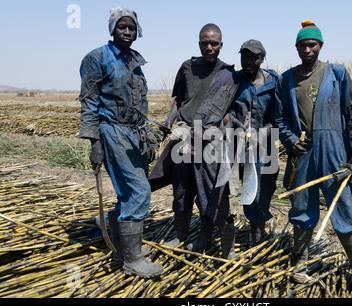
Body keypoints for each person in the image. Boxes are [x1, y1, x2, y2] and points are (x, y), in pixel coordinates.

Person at [273, 21, 352, 288]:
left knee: (344, 205)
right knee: (302, 207)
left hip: (335, 151)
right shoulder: (286, 79)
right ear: (296, 48)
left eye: (312, 45)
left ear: (320, 46)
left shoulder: (336, 73)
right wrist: (291, 140)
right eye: (303, 45)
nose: (307, 49)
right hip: (303, 153)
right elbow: (280, 119)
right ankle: (300, 264)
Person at [78, 7, 164, 278]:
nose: (127, 32)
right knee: (139, 192)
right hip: (112, 132)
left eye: (131, 28)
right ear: (112, 29)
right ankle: (132, 260)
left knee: (127, 193)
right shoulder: (97, 58)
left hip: (134, 135)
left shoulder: (134, 60)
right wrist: (95, 143)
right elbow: (89, 102)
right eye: (121, 27)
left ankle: (123, 249)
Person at [148, 23, 240, 259]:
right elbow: (178, 100)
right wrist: (168, 121)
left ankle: (207, 236)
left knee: (212, 191)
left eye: (214, 43)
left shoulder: (229, 75)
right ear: (198, 43)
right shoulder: (187, 67)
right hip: (183, 138)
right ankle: (180, 234)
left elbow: (229, 111)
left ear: (221, 45)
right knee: (181, 189)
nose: (209, 47)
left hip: (210, 142)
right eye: (204, 43)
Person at [229, 40, 279, 245]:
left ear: (262, 59)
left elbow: (279, 116)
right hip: (240, 146)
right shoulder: (233, 80)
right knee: (250, 189)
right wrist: (236, 126)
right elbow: (225, 111)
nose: (249, 61)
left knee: (265, 189)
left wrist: (262, 132)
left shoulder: (274, 81)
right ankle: (256, 237)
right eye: (245, 56)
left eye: (254, 57)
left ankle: (261, 227)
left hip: (266, 147)